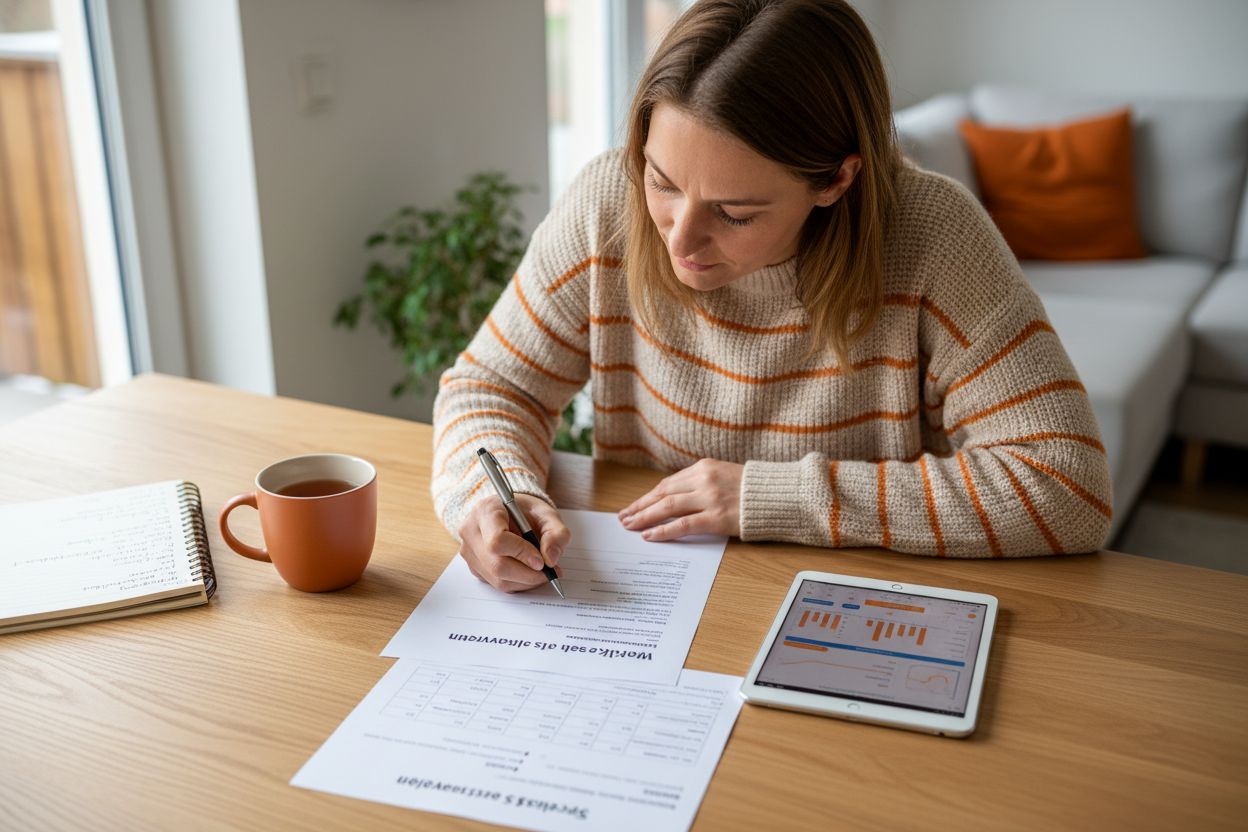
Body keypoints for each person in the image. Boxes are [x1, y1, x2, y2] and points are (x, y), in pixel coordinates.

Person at [431, 0, 1112, 593]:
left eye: (735, 213)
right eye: (662, 181)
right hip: (656, 593)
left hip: (861, 601)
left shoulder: (934, 237)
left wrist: (772, 497)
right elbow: (491, 386)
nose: (679, 241)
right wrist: (493, 496)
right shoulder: (606, 202)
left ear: (837, 180)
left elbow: (1067, 487)